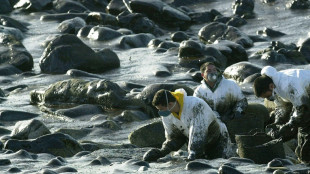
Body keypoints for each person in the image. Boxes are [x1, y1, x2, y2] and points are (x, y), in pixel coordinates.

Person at [142, 88, 233, 162]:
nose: (160, 113)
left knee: (221, 165)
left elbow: (198, 133)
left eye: (161, 109)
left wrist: (192, 154)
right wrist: (162, 152)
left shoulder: (196, 105)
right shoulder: (167, 115)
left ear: (170, 104)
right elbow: (174, 137)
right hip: (197, 145)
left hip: (217, 140)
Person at [253, 65, 310, 164]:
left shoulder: (288, 84)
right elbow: (282, 107)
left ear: (271, 86)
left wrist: (289, 125)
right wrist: (277, 123)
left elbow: (302, 109)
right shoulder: (275, 86)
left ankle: (306, 160)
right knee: (300, 128)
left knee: (305, 129)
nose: (268, 99)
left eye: (267, 96)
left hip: (305, 97)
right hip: (304, 98)